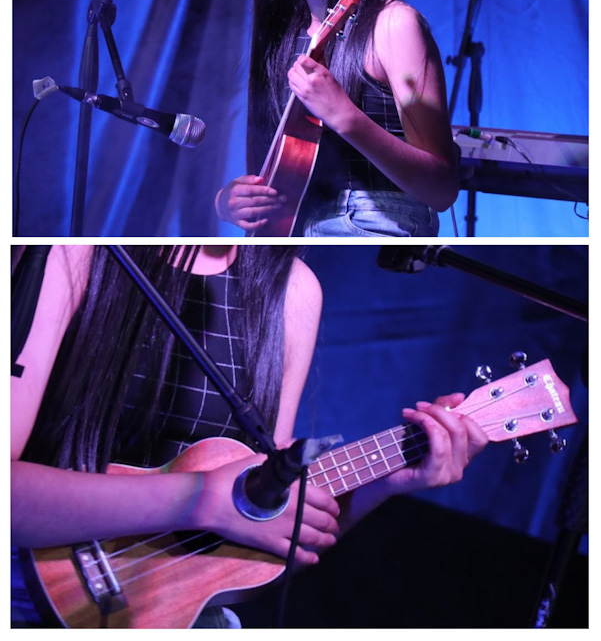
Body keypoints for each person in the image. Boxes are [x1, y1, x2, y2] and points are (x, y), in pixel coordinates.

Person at [11, 245, 487, 628]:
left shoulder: (291, 291)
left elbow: (257, 546)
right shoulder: (73, 252)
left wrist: (391, 480)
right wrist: (195, 498)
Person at [215, 0, 459, 237]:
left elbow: (442, 188)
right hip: (298, 232)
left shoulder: (393, 24)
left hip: (373, 229)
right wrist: (232, 201)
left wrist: (345, 116)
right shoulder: (284, 36)